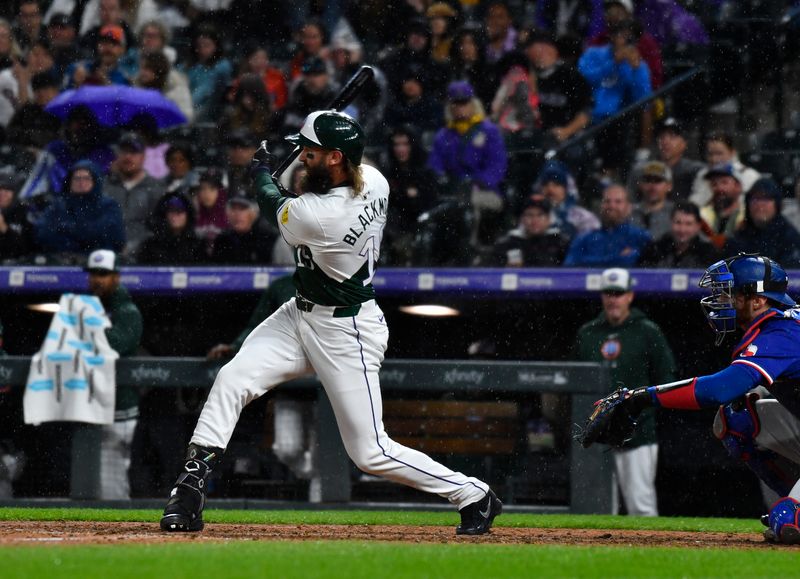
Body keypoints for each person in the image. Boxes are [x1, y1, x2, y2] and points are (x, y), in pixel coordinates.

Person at [160, 110, 502, 535]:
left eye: (312, 152)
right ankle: (190, 486)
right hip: (299, 314)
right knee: (232, 379)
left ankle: (473, 493)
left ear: (337, 158)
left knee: (370, 453)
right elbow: (304, 192)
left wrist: (264, 173)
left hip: (347, 330)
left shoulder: (320, 216)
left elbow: (276, 204)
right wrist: (299, 160)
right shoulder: (374, 178)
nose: (303, 156)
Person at [582, 254, 800, 543]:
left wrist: (641, 398)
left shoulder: (783, 331)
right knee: (738, 418)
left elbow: (718, 389)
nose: (722, 301)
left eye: (730, 293)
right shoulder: (781, 323)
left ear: (758, 300)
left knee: (788, 519)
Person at [206, 275, 322, 500]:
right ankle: (310, 475)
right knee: (286, 449)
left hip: (324, 391)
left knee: (324, 457)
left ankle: (325, 513)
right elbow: (259, 326)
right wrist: (235, 346)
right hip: (290, 387)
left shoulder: (336, 283)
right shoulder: (282, 286)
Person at [575, 267, 676, 515]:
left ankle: (651, 554)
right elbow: (574, 381)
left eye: (618, 293)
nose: (613, 299)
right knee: (594, 508)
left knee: (640, 504)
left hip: (637, 433)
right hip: (595, 434)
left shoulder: (647, 330)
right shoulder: (587, 333)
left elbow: (665, 379)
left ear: (630, 296)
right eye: (608, 293)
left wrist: (637, 415)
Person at [84, 249, 143, 500]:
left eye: (104, 274)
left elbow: (115, 345)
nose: (97, 279)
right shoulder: (91, 306)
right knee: (98, 476)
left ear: (116, 277)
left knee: (113, 477)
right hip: (98, 403)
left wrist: (86, 331)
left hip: (121, 407)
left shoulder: (127, 310)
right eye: (93, 274)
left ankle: (120, 528)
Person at [428, 80, 508, 248]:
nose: (459, 107)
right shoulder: (443, 135)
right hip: (451, 191)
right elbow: (435, 164)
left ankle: (470, 249)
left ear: (473, 103)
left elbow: (497, 167)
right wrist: (442, 179)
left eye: (464, 102)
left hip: (484, 191)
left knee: (466, 206)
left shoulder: (489, 131)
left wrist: (476, 182)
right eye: (455, 103)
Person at [33, 160, 125, 257]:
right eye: (77, 178)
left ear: (95, 180)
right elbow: (43, 233)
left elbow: (113, 236)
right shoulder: (58, 205)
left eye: (86, 178)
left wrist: (67, 229)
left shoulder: (108, 205)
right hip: (61, 259)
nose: (81, 183)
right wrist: (72, 242)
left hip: (99, 261)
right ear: (69, 181)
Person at [104, 132, 166, 256]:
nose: (128, 157)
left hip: (143, 257)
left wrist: (136, 246)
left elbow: (159, 230)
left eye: (133, 152)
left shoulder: (156, 189)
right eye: (124, 152)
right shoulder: (105, 186)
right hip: (108, 254)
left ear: (143, 157)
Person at [563, 183, 651, 267]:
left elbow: (651, 269)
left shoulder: (640, 237)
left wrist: (589, 261)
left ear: (629, 208)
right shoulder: (584, 238)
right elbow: (570, 267)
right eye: (607, 201)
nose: (612, 206)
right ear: (601, 206)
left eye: (618, 202)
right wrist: (619, 259)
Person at [725, 178, 800, 268]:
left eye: (766, 198)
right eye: (755, 198)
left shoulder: (789, 237)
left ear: (777, 204)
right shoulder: (740, 235)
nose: (760, 204)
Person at [490, 194, 569, 266]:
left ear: (549, 219)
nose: (534, 220)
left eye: (540, 215)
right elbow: (493, 275)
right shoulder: (508, 243)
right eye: (529, 215)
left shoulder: (560, 243)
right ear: (522, 219)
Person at [689, 132, 761, 209]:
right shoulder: (702, 174)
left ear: (732, 153)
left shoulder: (750, 175)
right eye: (710, 154)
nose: (714, 159)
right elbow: (694, 204)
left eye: (719, 153)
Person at [639, 201, 720, 268]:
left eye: (688, 224)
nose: (682, 229)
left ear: (698, 226)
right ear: (670, 222)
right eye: (678, 223)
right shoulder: (655, 249)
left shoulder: (708, 252)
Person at [534, 161, 599, 240]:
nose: (550, 189)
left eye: (556, 184)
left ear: (566, 189)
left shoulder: (583, 217)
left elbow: (594, 245)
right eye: (545, 184)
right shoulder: (531, 217)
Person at [209, 189, 276, 265]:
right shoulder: (222, 241)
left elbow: (287, 272)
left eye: (242, 209)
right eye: (233, 208)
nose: (237, 214)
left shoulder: (269, 240)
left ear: (254, 213)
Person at [65, 24, 130, 88]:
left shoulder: (126, 77)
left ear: (122, 49)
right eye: (104, 43)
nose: (107, 48)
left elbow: (125, 96)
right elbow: (62, 94)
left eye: (113, 44)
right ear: (97, 46)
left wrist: (106, 84)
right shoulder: (77, 68)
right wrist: (75, 83)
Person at [699, 162, 746, 250]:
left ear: (738, 186)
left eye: (724, 182)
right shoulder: (700, 216)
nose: (719, 188)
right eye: (714, 184)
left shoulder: (749, 216)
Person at [630, 160, 674, 240]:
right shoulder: (628, 212)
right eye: (648, 180)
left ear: (669, 186)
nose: (652, 186)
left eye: (658, 181)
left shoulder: (676, 213)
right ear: (640, 184)